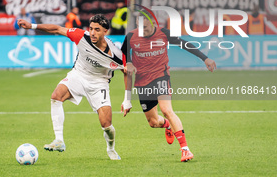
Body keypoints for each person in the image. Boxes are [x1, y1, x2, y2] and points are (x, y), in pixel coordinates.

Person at [17, 14, 125, 160]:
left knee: (106, 124)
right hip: (78, 75)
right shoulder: (81, 36)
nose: (92, 33)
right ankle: (59, 140)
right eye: (91, 28)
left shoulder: (116, 54)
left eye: (97, 30)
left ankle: (111, 149)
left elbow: (128, 71)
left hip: (99, 83)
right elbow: (57, 29)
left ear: (105, 31)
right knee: (56, 96)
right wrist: (32, 26)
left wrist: (127, 99)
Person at [121, 9, 216, 162]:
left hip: (161, 77)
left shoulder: (163, 33)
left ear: (151, 22)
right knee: (153, 122)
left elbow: (185, 44)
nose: (142, 30)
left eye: (144, 26)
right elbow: (124, 57)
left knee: (166, 110)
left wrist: (205, 59)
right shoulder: (131, 37)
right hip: (142, 82)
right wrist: (129, 66)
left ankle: (185, 149)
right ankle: (167, 125)